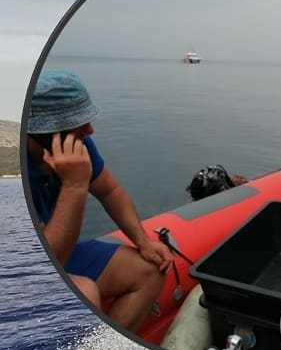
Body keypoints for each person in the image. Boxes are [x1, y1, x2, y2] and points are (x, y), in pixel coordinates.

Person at [25, 70, 172, 332]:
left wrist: (143, 241)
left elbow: (110, 191)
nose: (90, 130)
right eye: (76, 123)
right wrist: (74, 185)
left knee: (150, 270)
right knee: (85, 293)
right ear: (42, 131)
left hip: (61, 250)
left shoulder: (81, 145)